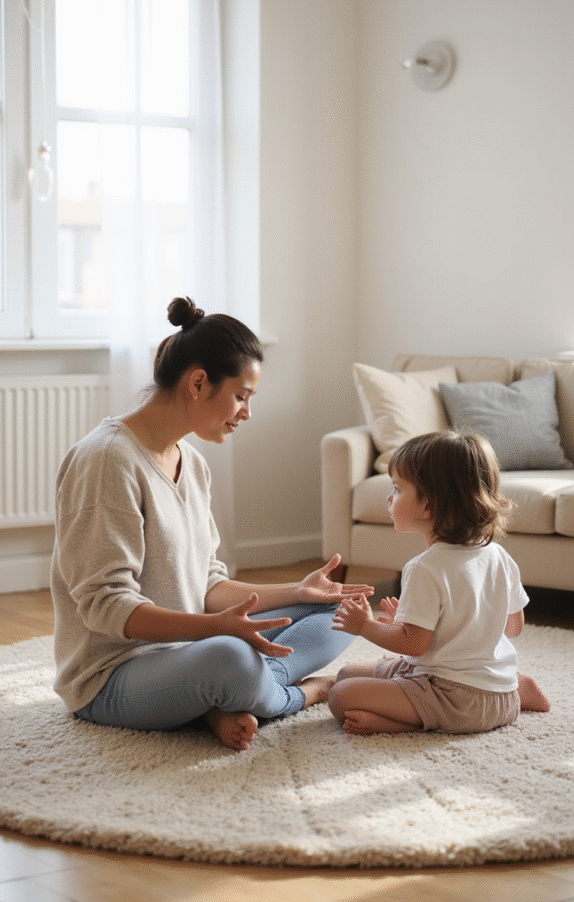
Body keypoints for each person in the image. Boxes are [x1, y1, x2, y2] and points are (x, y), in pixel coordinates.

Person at [52, 296, 374, 751]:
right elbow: (105, 607)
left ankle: (224, 701)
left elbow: (208, 585)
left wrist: (298, 593)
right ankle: (297, 693)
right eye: (241, 396)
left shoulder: (194, 464)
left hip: (186, 655)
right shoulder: (107, 460)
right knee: (231, 658)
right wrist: (215, 629)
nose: (247, 412)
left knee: (336, 612)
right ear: (199, 383)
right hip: (113, 676)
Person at [328, 430, 550, 737]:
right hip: (495, 688)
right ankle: (518, 690)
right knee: (346, 673)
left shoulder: (424, 568)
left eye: (397, 489)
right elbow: (512, 627)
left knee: (341, 695)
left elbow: (413, 645)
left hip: (455, 697)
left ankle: (400, 723)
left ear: (428, 506)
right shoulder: (497, 555)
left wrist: (365, 625)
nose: (389, 498)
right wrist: (407, 624)